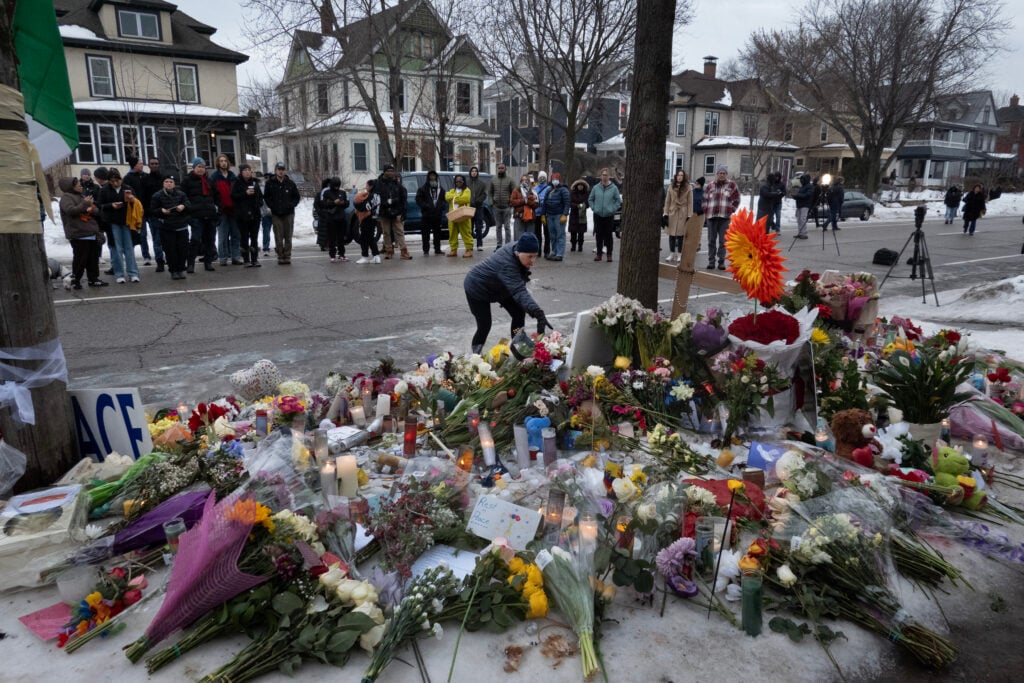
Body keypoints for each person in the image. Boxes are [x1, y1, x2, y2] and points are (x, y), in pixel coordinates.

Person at [463, 232, 550, 354]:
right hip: (477, 288)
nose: (533, 261)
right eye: (530, 257)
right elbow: (519, 292)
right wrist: (538, 312)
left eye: (535, 256)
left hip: (500, 286)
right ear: (519, 252)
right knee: (484, 324)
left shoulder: (519, 247)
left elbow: (518, 290)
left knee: (518, 312)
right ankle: (475, 356)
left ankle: (517, 344)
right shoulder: (507, 265)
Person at [58, 176, 107, 289]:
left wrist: (92, 208)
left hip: (90, 232)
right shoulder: (66, 197)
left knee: (93, 259)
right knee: (80, 259)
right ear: (70, 186)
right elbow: (70, 211)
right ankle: (76, 280)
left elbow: (95, 210)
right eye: (78, 184)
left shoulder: (82, 196)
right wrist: (85, 205)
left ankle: (93, 279)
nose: (81, 186)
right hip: (78, 233)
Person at [98, 168, 140, 283]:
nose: (115, 183)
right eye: (112, 181)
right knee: (116, 249)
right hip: (112, 222)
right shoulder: (104, 190)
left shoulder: (128, 188)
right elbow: (100, 205)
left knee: (129, 248)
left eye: (117, 180)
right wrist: (112, 205)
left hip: (127, 222)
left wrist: (132, 200)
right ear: (109, 181)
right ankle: (119, 273)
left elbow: (136, 204)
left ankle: (133, 273)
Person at [150, 175, 191, 280]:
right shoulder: (157, 196)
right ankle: (173, 271)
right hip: (167, 228)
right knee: (170, 250)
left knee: (182, 250)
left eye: (171, 182)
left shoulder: (181, 194)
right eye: (167, 181)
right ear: (163, 183)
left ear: (174, 184)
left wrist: (183, 206)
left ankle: (181, 269)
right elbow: (152, 211)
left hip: (181, 226)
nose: (169, 183)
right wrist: (161, 211)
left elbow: (189, 205)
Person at [702, 165, 740, 270]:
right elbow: (704, 200)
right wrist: (706, 212)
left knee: (723, 241)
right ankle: (711, 262)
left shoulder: (732, 185)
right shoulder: (710, 186)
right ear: (717, 174)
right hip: (712, 217)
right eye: (720, 173)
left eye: (724, 173)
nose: (722, 175)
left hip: (725, 218)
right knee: (711, 241)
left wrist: (732, 209)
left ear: (726, 174)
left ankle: (721, 262)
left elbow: (737, 199)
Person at [263, 161, 301, 264]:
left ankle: (287, 255)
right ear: (275, 171)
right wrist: (272, 206)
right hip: (276, 214)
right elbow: (266, 197)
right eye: (279, 169)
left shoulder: (290, 183)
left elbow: (297, 197)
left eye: (282, 169)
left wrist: (291, 205)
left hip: (288, 213)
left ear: (284, 171)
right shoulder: (270, 183)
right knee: (278, 236)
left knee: (288, 236)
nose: (281, 171)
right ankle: (280, 255)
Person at [374, 164, 411, 260]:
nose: (390, 173)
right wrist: (384, 203)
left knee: (400, 231)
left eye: (392, 171)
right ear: (384, 172)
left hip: (397, 211)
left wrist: (403, 211)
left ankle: (404, 251)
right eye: (388, 171)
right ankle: (388, 251)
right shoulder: (378, 183)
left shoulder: (397, 184)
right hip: (384, 212)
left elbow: (403, 198)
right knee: (386, 232)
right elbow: (375, 197)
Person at [210, 154, 241, 266]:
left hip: (233, 211)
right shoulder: (214, 177)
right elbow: (212, 195)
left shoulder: (233, 176)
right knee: (223, 236)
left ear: (228, 163)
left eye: (225, 161)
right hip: (222, 211)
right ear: (218, 163)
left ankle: (235, 257)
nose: (223, 163)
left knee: (236, 235)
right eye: (221, 161)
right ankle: (223, 257)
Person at [230, 164, 264, 267]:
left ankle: (254, 259)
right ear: (241, 172)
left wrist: (258, 203)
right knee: (244, 238)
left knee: (254, 238)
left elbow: (260, 197)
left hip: (255, 215)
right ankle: (246, 260)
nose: (248, 172)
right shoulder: (237, 182)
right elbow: (233, 196)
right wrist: (245, 193)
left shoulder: (254, 182)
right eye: (245, 170)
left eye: (249, 170)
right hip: (242, 215)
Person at [122, 157, 152, 265]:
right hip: (137, 210)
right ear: (134, 165)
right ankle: (140, 256)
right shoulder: (127, 178)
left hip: (148, 209)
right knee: (139, 234)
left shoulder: (146, 176)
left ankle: (151, 256)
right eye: (140, 163)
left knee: (150, 234)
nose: (142, 165)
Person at [589, 168, 621, 262]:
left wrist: (612, 209)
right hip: (598, 214)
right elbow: (590, 199)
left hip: (609, 215)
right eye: (603, 175)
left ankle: (609, 255)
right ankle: (599, 254)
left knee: (608, 236)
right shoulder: (596, 188)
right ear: (600, 176)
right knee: (598, 235)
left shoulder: (614, 188)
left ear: (609, 176)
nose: (604, 176)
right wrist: (594, 208)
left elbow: (617, 201)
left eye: (606, 175)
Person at [663, 170, 692, 262]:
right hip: (673, 212)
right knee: (671, 235)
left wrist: (689, 214)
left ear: (684, 177)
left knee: (680, 235)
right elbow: (667, 201)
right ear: (676, 176)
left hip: (683, 212)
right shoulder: (671, 187)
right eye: (678, 175)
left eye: (681, 175)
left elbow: (690, 202)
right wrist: (665, 213)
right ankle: (672, 253)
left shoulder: (688, 187)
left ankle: (680, 254)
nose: (679, 177)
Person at [415, 170, 446, 255]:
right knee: (425, 234)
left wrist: (441, 206)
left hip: (437, 215)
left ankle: (437, 249)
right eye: (431, 176)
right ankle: (426, 250)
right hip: (426, 215)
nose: (432, 178)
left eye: (434, 176)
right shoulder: (423, 189)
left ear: (436, 178)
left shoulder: (441, 190)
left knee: (437, 233)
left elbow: (444, 200)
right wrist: (426, 205)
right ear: (428, 178)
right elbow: (418, 200)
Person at [143, 158, 166, 272]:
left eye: (156, 163)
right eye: (152, 164)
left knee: (168, 239)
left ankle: (172, 260)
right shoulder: (146, 179)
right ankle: (159, 261)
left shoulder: (164, 179)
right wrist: (149, 212)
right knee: (157, 240)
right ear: (149, 165)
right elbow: (144, 198)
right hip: (153, 214)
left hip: (167, 213)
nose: (154, 165)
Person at [541, 172, 570, 261]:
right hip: (549, 215)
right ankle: (554, 251)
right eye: (553, 179)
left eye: (556, 179)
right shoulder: (548, 190)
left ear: (559, 180)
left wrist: (565, 214)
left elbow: (567, 203)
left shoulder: (564, 190)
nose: (555, 181)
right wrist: (543, 214)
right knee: (552, 235)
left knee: (560, 235)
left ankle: (560, 253)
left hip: (559, 215)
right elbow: (545, 203)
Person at [321, 177, 350, 262]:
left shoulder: (343, 192)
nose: (337, 187)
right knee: (332, 237)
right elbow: (324, 204)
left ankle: (342, 254)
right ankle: (332, 255)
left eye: (338, 186)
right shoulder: (326, 192)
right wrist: (334, 203)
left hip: (341, 217)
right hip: (331, 218)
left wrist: (343, 203)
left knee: (341, 237)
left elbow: (347, 203)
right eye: (335, 186)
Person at [353, 179, 382, 264]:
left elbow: (364, 207)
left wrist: (356, 204)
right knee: (371, 238)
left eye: (367, 185)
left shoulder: (372, 196)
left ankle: (365, 256)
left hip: (368, 218)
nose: (366, 187)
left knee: (364, 238)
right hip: (374, 218)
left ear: (371, 186)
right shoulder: (378, 195)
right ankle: (376, 256)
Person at [445, 174, 474, 258]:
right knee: (452, 232)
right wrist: (457, 197)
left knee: (466, 232)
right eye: (456, 181)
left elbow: (465, 199)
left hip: (463, 215)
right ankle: (453, 249)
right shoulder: (452, 190)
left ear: (463, 181)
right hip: (452, 215)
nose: (458, 183)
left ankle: (468, 250)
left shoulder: (467, 190)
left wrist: (453, 198)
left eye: (460, 181)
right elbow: (446, 196)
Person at [489, 163, 516, 249]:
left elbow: (514, 192)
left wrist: (511, 203)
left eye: (502, 168)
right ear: (497, 169)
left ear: (505, 169)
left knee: (507, 227)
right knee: (498, 227)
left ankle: (507, 245)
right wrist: (491, 201)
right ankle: (499, 245)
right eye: (499, 168)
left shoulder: (510, 180)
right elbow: (490, 192)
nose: (501, 169)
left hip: (507, 207)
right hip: (496, 207)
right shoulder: (493, 179)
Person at [510, 174, 538, 240]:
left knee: (530, 237)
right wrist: (523, 201)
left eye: (526, 180)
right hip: (519, 216)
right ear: (520, 181)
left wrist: (528, 202)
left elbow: (536, 204)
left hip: (530, 217)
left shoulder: (533, 191)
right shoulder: (516, 191)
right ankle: (518, 250)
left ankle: (529, 250)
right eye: (523, 180)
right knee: (518, 238)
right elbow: (512, 202)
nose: (524, 181)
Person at [568, 178, 590, 253]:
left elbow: (588, 203)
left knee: (581, 232)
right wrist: (577, 206)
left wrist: (583, 205)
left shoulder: (586, 194)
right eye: (579, 185)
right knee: (573, 232)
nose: (580, 187)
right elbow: (570, 203)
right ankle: (573, 245)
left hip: (582, 215)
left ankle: (580, 246)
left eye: (581, 185)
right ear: (576, 186)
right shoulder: (572, 193)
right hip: (574, 214)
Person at [533, 171, 551, 254]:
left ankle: (547, 251)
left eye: (544, 177)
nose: (542, 179)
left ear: (546, 178)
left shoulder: (549, 188)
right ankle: (538, 250)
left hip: (545, 214)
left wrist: (541, 200)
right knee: (537, 233)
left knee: (547, 233)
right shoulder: (535, 188)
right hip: (536, 214)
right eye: (541, 177)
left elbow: (549, 200)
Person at [793, 174, 814, 239]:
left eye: (802, 179)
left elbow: (807, 195)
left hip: (805, 205)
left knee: (802, 219)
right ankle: (800, 233)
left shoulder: (810, 187)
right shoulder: (802, 187)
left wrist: (798, 195)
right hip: (800, 205)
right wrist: (795, 196)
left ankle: (804, 233)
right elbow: (801, 195)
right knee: (799, 219)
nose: (801, 181)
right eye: (801, 179)